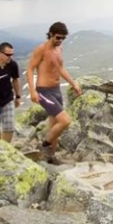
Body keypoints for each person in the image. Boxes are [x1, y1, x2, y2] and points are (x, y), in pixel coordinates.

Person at [27, 21, 82, 164]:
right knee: (65, 121)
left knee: (55, 127)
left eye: (63, 38)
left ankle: (51, 157)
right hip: (44, 91)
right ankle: (43, 144)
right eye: (58, 37)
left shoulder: (59, 49)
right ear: (51, 34)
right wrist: (32, 91)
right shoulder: (42, 49)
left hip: (56, 90)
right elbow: (30, 69)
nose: (60, 40)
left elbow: (61, 69)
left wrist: (73, 83)